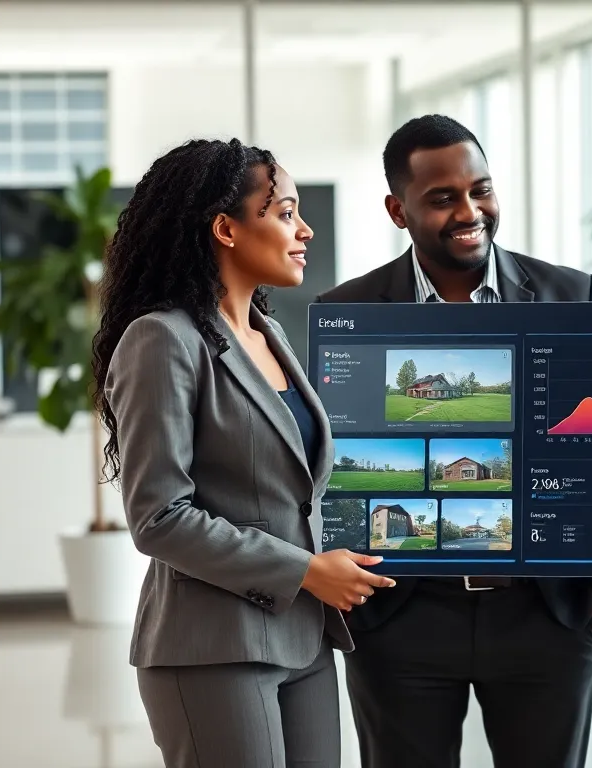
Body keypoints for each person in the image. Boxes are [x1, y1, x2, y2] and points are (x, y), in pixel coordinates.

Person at [316, 114, 592, 768]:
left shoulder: (573, 297)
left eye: (480, 189)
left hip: (547, 617)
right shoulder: (348, 313)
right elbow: (329, 467)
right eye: (442, 198)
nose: (470, 211)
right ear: (397, 210)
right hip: (400, 621)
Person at [93, 138, 394, 768]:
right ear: (226, 228)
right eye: (284, 213)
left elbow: (294, 485)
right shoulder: (162, 340)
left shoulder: (269, 335)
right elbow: (159, 518)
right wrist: (305, 571)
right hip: (213, 648)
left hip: (306, 638)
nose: (305, 230)